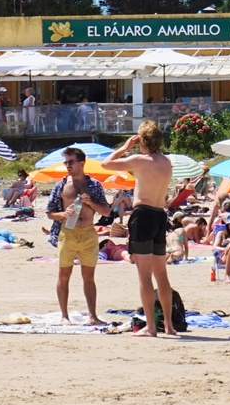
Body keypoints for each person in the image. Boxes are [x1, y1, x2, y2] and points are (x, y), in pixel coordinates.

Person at [103, 120, 180, 337]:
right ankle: (168, 325)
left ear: (142, 140)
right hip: (159, 216)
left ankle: (151, 327)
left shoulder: (140, 160)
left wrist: (124, 148)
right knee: (161, 275)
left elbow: (106, 164)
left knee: (144, 275)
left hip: (143, 215)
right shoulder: (166, 162)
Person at [45, 147, 108, 325]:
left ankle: (93, 316)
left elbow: (105, 211)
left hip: (88, 232)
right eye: (66, 162)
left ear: (81, 163)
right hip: (68, 232)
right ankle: (64, 316)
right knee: (64, 274)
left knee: (89, 277)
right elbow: (50, 212)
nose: (67, 166)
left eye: (70, 162)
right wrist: (62, 214)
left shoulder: (94, 185)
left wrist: (91, 203)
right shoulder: (62, 185)